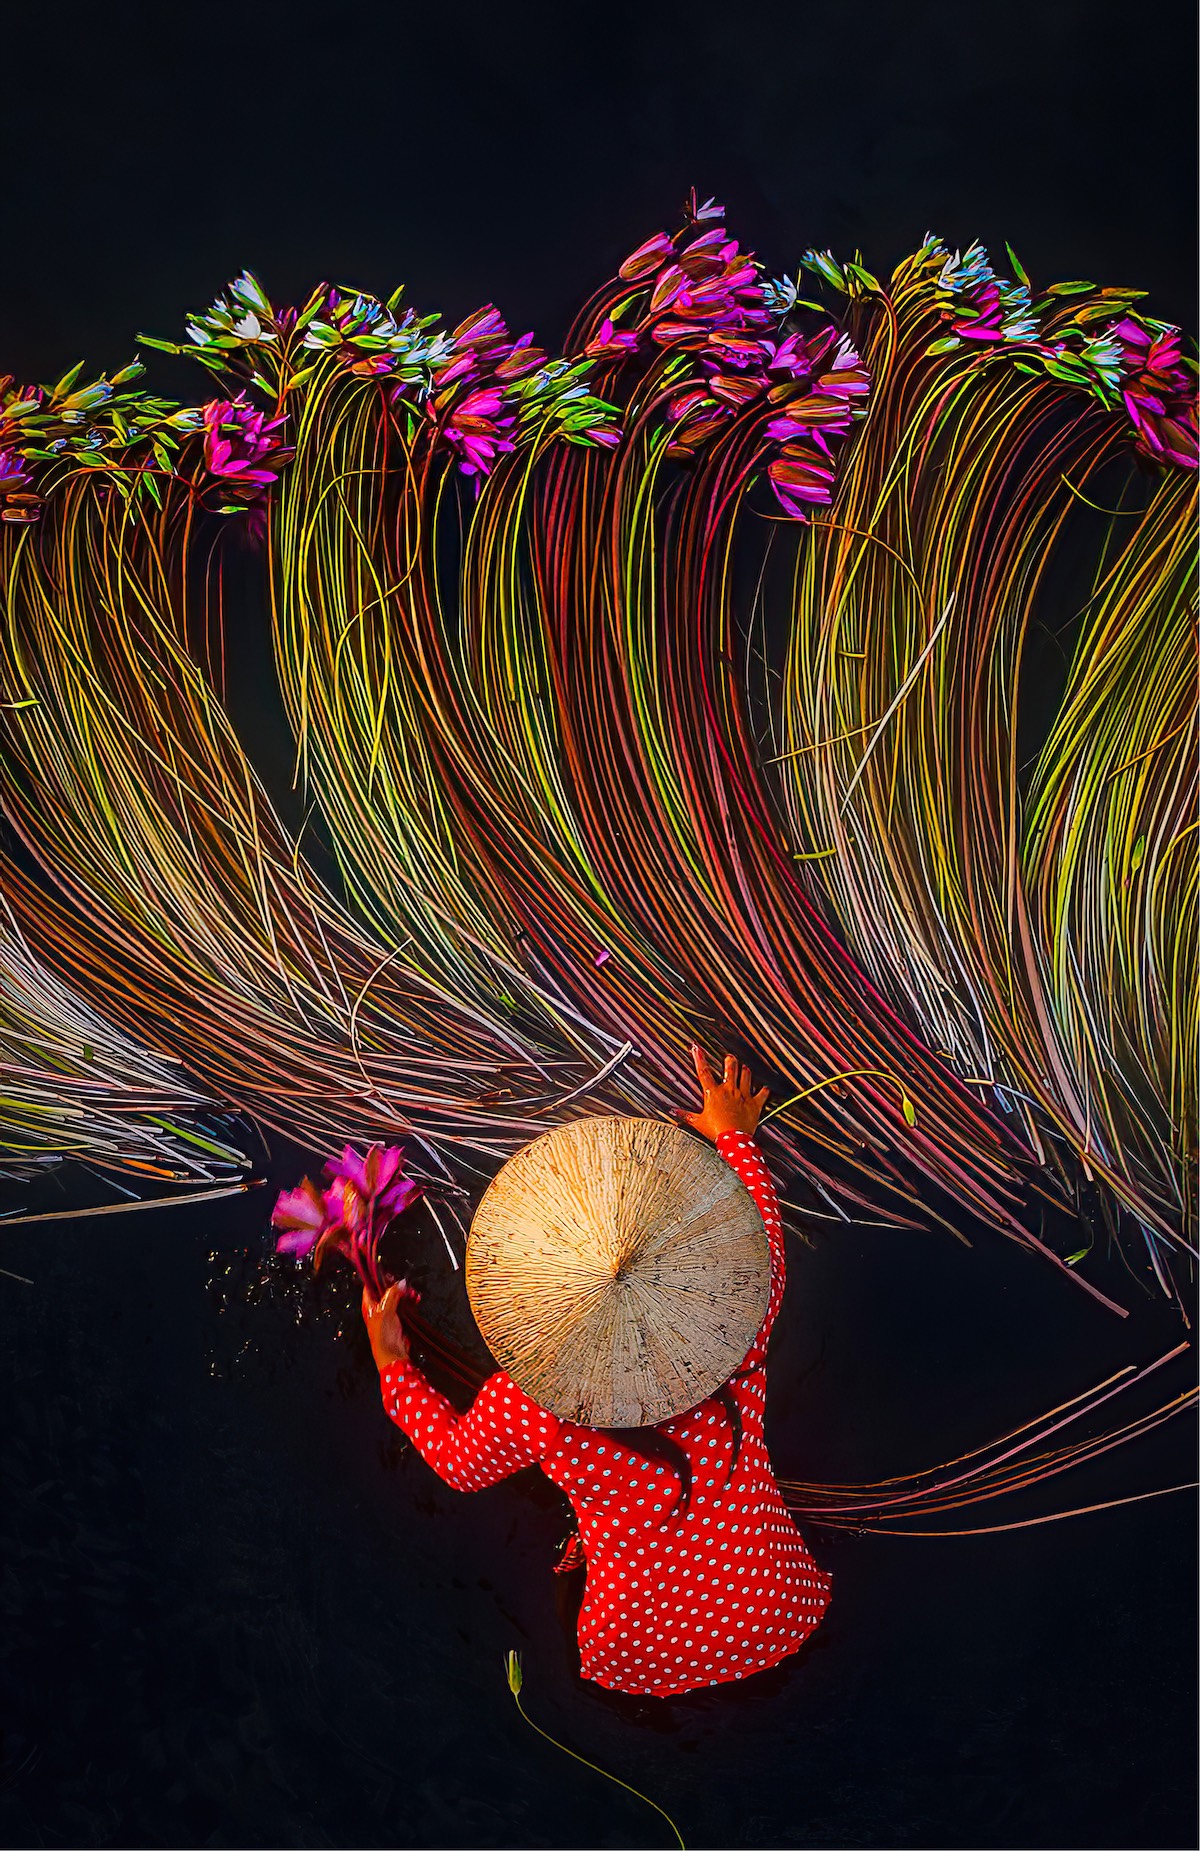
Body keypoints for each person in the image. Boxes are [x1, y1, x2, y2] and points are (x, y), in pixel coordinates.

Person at [361, 1047, 830, 1698]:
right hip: (775, 1603)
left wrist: (394, 1368)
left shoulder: (529, 1404)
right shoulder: (745, 1321)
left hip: (639, 1638)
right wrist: (734, 1136)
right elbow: (760, 1233)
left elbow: (456, 1464)